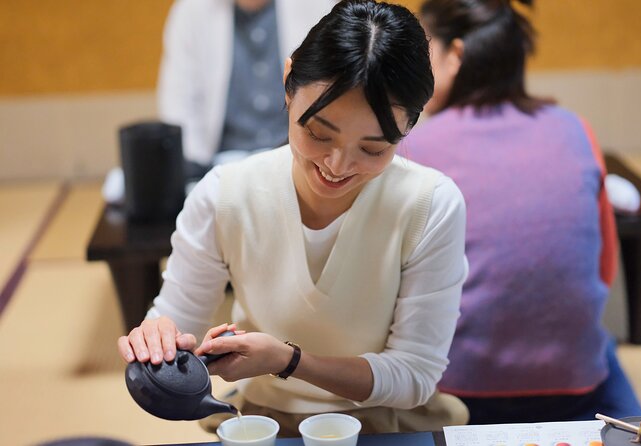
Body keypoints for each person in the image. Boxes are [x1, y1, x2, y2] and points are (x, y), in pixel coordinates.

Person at [117, 0, 469, 436]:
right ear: (288, 82)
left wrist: (290, 360)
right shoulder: (225, 195)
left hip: (388, 425)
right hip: (265, 423)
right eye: (318, 133)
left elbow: (415, 377)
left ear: (410, 124)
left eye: (373, 149)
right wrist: (157, 338)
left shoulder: (429, 205)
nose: (337, 165)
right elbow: (176, 319)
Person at [403, 0, 641, 424]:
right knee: (605, 345)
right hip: (575, 386)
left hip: (459, 392)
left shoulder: (415, 148)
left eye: (424, 51)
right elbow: (605, 268)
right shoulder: (574, 127)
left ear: (455, 55)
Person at [157, 0, 336, 180]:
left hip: (297, 163)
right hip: (221, 169)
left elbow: (334, 91)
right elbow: (179, 105)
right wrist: (197, 170)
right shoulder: (191, 11)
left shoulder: (317, 4)